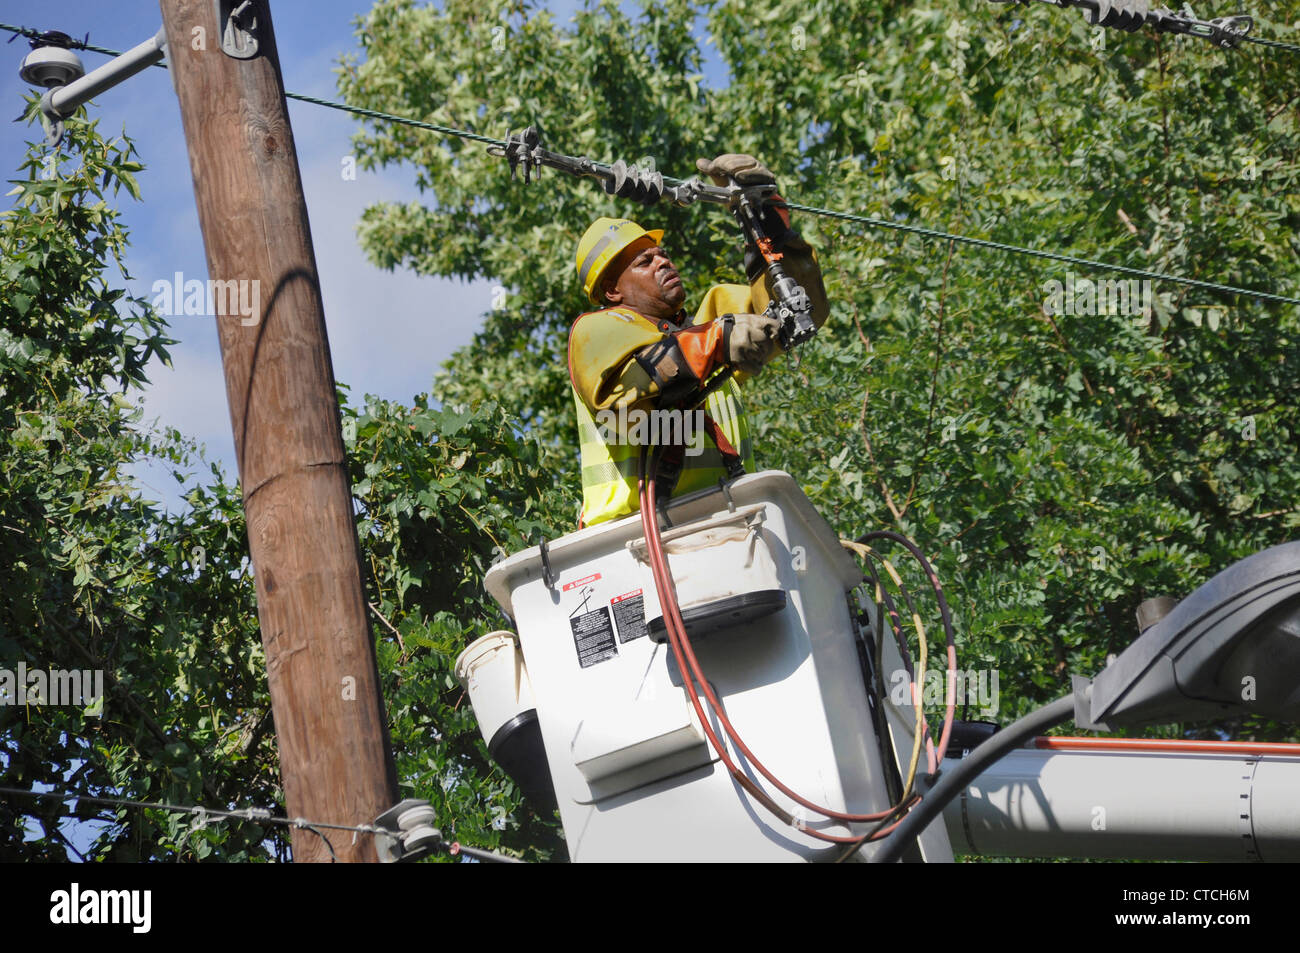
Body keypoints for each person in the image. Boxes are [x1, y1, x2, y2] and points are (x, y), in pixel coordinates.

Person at [568, 153, 830, 527]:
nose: (663, 262)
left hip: (728, 519)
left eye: (663, 254)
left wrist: (767, 214)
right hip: (632, 538)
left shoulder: (704, 324)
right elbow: (626, 395)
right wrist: (717, 341)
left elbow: (803, 308)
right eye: (645, 262)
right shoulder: (598, 331)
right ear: (612, 290)